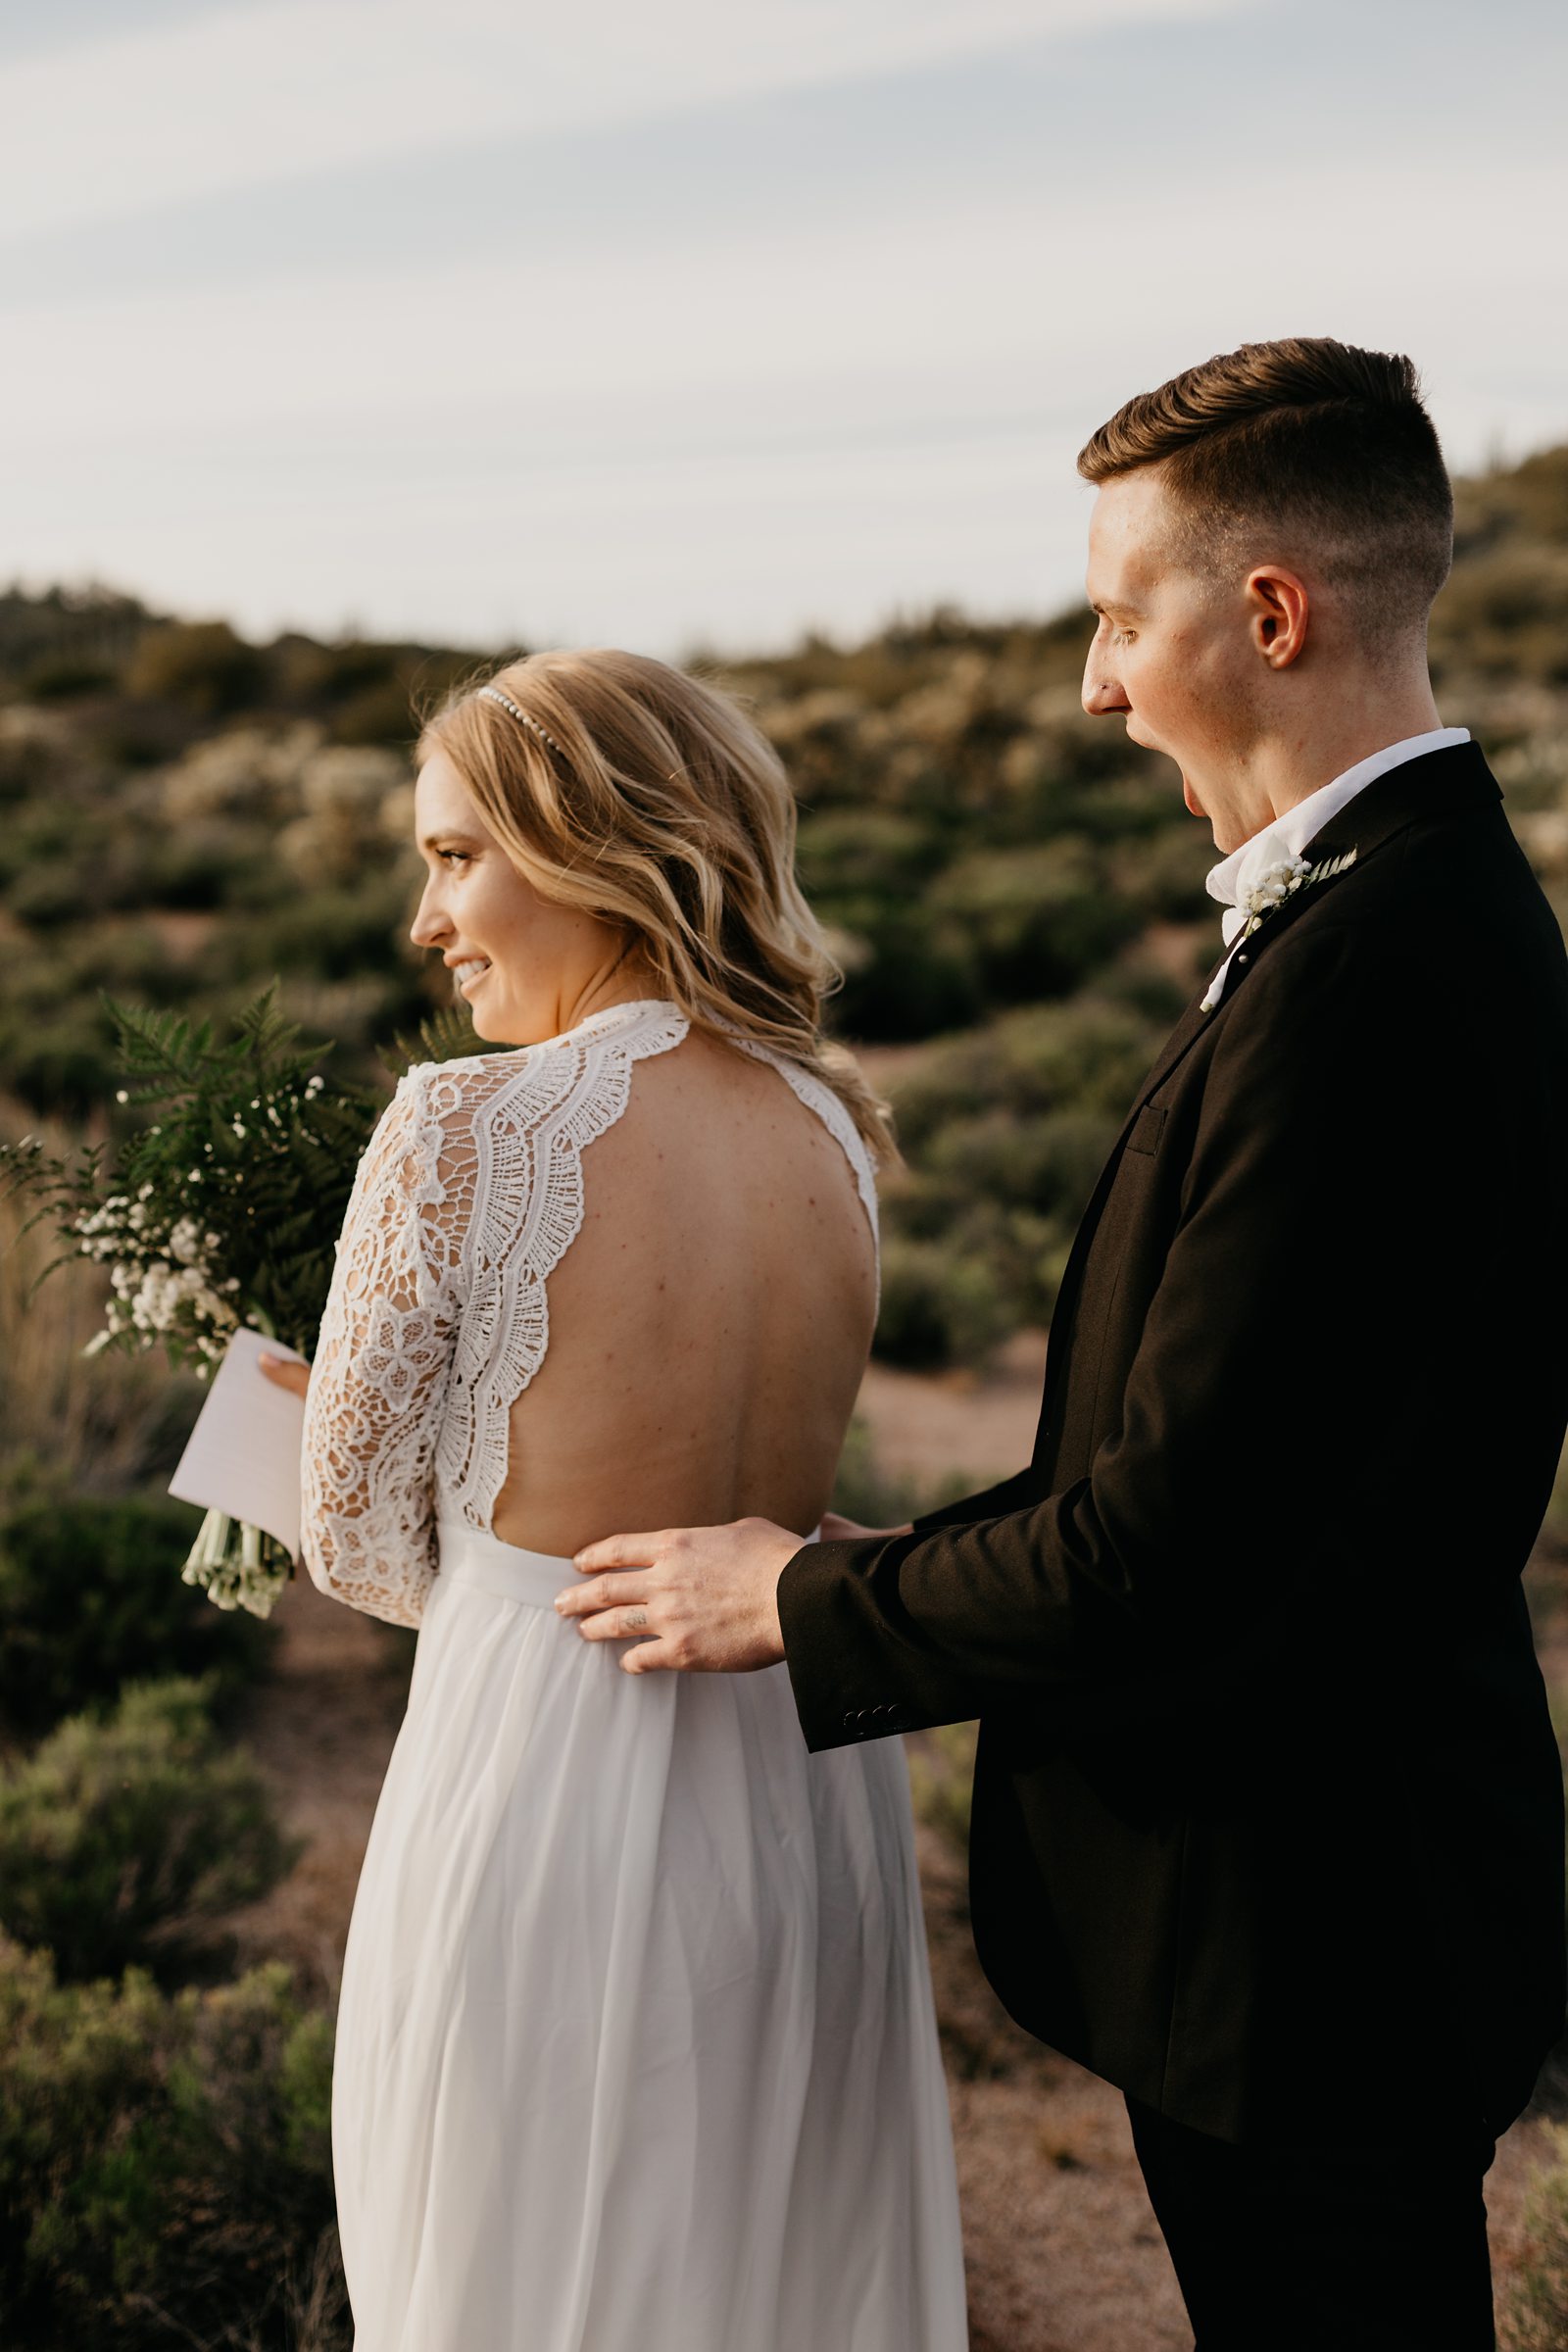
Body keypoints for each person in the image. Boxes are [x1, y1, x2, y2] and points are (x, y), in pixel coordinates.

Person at [563, 340, 1568, 2349]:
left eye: (1121, 615)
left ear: (1265, 614)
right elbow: (1247, 1454)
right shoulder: (1389, 912)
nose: (1094, 685)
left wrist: (801, 1606)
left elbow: (1176, 1538)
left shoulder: (1369, 975)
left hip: (1308, 1942)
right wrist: (891, 1571)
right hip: (1327, 1912)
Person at [262, 649, 968, 2350]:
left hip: (547, 1771)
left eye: (453, 858)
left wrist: (312, 1426)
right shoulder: (831, 1123)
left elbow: (358, 1547)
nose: (428, 925)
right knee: (763, 2250)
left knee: (515, 2262)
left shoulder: (458, 1127)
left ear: (597, 845)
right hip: (800, 1767)